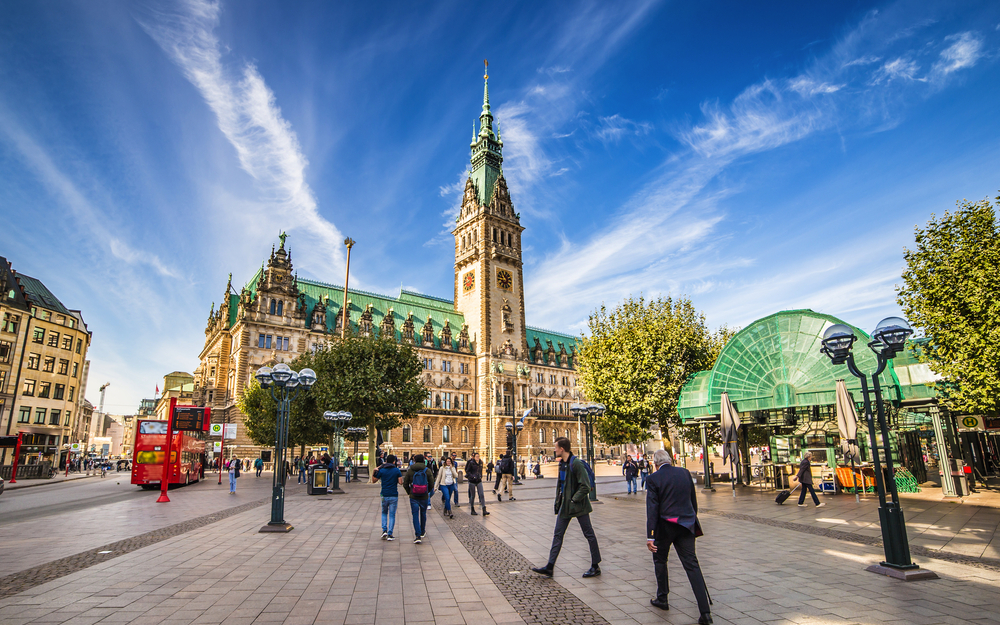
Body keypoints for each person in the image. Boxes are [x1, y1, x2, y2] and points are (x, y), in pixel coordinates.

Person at [645, 449, 712, 624]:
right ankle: (705, 612)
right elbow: (692, 500)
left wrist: (650, 535)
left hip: (665, 526)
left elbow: (652, 509)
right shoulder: (684, 473)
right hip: (685, 525)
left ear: (655, 464)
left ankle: (663, 597)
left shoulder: (653, 479)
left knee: (660, 560)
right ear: (669, 460)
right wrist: (691, 519)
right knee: (692, 565)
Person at [531, 438, 601, 579]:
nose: (554, 449)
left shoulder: (576, 464)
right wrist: (559, 502)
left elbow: (585, 486)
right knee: (558, 535)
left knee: (589, 534)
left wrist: (574, 499)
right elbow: (561, 485)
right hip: (566, 506)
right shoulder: (562, 464)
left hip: (578, 505)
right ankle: (550, 567)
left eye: (556, 447)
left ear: (562, 449)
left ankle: (595, 565)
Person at [403, 454, 434, 544]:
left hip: (414, 497)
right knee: (423, 513)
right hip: (424, 496)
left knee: (415, 515)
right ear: (423, 460)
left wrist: (410, 492)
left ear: (415, 460)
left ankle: (417, 535)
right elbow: (432, 483)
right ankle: (423, 531)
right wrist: (427, 491)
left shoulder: (410, 470)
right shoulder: (427, 470)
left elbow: (405, 484)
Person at [374, 454, 402, 541]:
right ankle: (390, 533)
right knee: (392, 515)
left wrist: (374, 471)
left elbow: (374, 480)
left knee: (384, 512)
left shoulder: (382, 470)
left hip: (384, 494)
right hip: (393, 494)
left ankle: (384, 530)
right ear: (394, 461)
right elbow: (400, 482)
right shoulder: (396, 470)